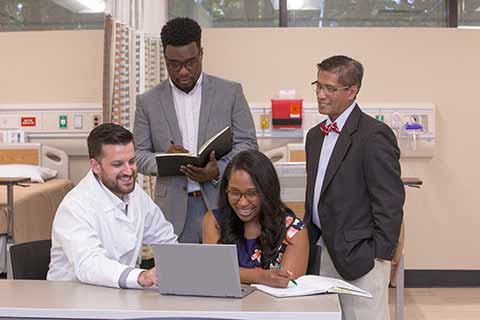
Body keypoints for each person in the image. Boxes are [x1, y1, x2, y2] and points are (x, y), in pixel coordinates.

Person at [134, 17, 257, 243]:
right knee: (177, 276)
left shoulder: (230, 93)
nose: (182, 71)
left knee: (225, 275)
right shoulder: (147, 102)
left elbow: (248, 145)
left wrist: (218, 169)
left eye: (190, 62)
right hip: (173, 210)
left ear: (201, 54)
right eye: (174, 64)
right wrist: (164, 160)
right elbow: (139, 156)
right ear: (164, 59)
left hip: (223, 201)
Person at [304, 55, 404, 319]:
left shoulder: (373, 135)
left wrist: (378, 257)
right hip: (323, 250)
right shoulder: (315, 136)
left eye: (329, 89)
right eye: (318, 85)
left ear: (352, 91)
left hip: (361, 257)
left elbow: (390, 202)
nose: (320, 94)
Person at [47, 123, 178, 289]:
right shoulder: (75, 206)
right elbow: (89, 264)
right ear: (95, 166)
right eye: (118, 164)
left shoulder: (135, 194)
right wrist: (140, 276)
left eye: (132, 161)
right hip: (75, 299)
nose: (128, 171)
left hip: (119, 295)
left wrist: (178, 269)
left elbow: (165, 238)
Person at [203, 149, 309, 288]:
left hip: (273, 309)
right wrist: (259, 277)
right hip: (225, 308)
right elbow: (213, 273)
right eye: (235, 193)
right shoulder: (214, 221)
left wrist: (237, 275)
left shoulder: (294, 230)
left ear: (267, 191)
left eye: (252, 193)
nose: (242, 202)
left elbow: (286, 287)